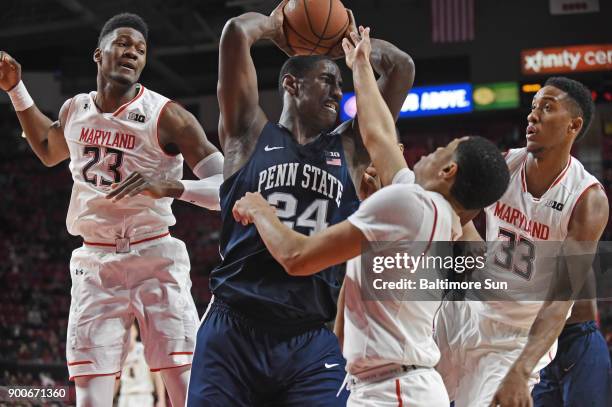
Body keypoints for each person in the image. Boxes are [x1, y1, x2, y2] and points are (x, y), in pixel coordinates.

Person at [231, 26, 510, 407]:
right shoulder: (435, 214)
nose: (426, 152)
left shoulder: (412, 204)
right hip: (394, 386)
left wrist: (261, 210)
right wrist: (360, 63)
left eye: (442, 150)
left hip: (394, 391)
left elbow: (297, 257)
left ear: (448, 173)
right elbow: (379, 134)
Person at [186, 2, 415, 405]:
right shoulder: (247, 135)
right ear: (291, 84)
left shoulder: (350, 148)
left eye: (339, 83)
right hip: (234, 328)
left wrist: (341, 42)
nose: (339, 91)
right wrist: (277, 27)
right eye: (328, 80)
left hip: (310, 337)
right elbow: (237, 32)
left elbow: (400, 67)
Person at [0, 12, 224, 407]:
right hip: (95, 262)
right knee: (90, 397)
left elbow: (228, 187)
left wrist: (173, 186)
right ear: (98, 54)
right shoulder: (74, 110)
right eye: (122, 44)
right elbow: (49, 149)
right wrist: (16, 88)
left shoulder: (168, 116)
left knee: (187, 386)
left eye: (140, 49)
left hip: (154, 254)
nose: (132, 53)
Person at [435, 77, 609, 407]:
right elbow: (454, 222)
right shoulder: (506, 165)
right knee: (407, 384)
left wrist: (520, 370)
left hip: (516, 335)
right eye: (532, 108)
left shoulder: (587, 199)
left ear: (574, 125)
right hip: (469, 312)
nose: (533, 116)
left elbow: (560, 300)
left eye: (547, 108)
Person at [114, 323, 166, 407]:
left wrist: (161, 400)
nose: (128, 335)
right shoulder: (119, 355)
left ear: (136, 332)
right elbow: (116, 381)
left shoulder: (146, 350)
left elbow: (157, 376)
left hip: (143, 396)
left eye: (130, 331)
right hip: (125, 397)